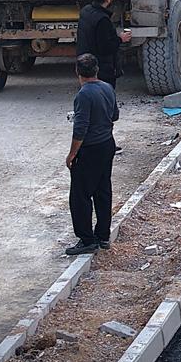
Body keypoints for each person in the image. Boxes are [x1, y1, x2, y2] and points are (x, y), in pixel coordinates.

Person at [65, 53, 119, 255]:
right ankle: (103, 236)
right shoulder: (107, 88)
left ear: (77, 72)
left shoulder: (84, 95)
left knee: (80, 196)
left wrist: (72, 154)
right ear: (96, 69)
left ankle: (87, 239)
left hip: (90, 150)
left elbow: (80, 129)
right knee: (103, 191)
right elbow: (115, 115)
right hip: (107, 144)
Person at [75, 0, 130, 88]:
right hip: (101, 70)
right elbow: (105, 47)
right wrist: (120, 39)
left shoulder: (85, 11)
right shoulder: (102, 20)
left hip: (85, 64)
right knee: (105, 98)